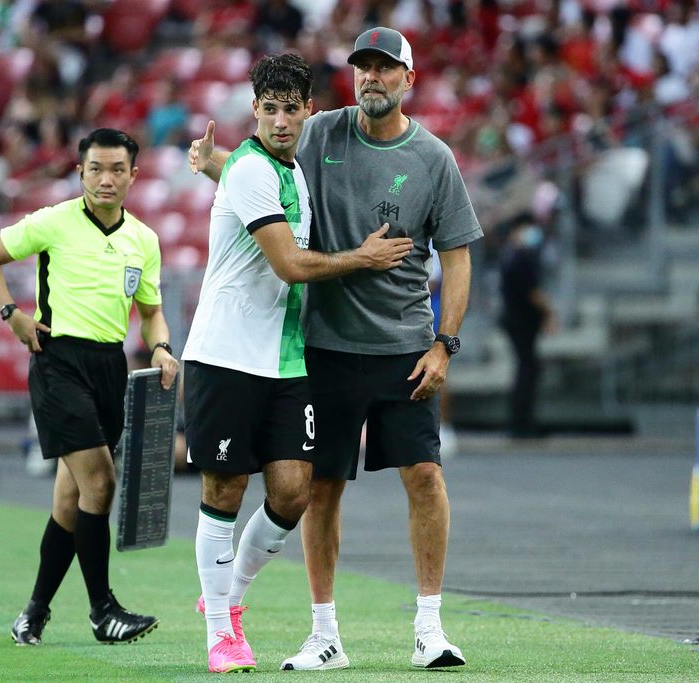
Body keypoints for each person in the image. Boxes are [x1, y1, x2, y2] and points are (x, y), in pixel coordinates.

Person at [189, 27, 482, 670]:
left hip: (405, 346)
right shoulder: (320, 132)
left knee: (426, 478)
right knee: (318, 490)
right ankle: (323, 634)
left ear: (410, 79)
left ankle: (429, 629)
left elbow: (456, 259)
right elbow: (262, 168)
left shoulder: (434, 158)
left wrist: (445, 343)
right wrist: (215, 164)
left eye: (386, 68)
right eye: (363, 67)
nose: (372, 77)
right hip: (320, 346)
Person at [0, 128, 179, 646]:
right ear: (79, 171)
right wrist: (11, 315)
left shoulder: (143, 240)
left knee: (71, 500)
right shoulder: (53, 221)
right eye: (95, 169)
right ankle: (102, 611)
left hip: (111, 369)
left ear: (133, 174)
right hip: (57, 362)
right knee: (101, 484)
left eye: (116, 170)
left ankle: (33, 614)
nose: (105, 179)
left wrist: (159, 347)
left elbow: (150, 313)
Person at [499, 213, 553, 438]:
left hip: (516, 319)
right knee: (527, 369)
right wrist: (549, 313)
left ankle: (522, 421)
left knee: (526, 368)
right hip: (521, 320)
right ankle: (522, 423)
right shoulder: (521, 257)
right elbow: (533, 292)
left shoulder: (510, 256)